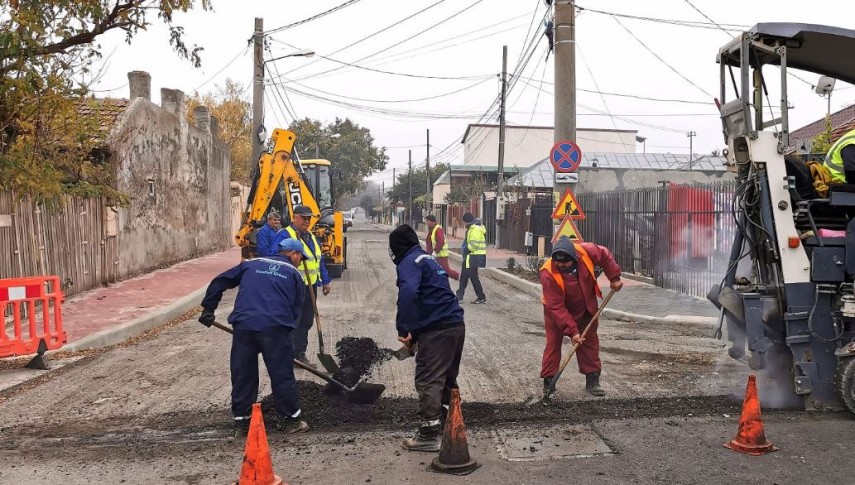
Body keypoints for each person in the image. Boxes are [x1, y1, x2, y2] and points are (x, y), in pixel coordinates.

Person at [198, 238, 311, 435]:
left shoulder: (250, 264)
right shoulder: (293, 274)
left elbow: (220, 281)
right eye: (301, 258)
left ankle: (242, 423)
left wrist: (209, 308)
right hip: (275, 328)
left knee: (243, 374)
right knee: (281, 374)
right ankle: (291, 421)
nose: (300, 262)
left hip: (245, 326)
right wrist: (286, 333)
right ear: (294, 255)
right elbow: (295, 309)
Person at [389, 224, 466, 452]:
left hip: (438, 330)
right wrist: (417, 332)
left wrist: (404, 329)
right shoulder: (426, 259)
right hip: (455, 326)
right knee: (448, 380)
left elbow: (409, 294)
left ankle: (429, 435)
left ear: (397, 248)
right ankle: (450, 425)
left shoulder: (409, 262)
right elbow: (431, 297)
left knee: (428, 379)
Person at [540, 236, 623, 398]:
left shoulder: (586, 251)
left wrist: (615, 278)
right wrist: (572, 331)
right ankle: (549, 381)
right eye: (557, 261)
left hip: (585, 306)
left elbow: (605, 255)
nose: (560, 265)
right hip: (555, 312)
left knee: (590, 342)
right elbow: (557, 308)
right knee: (553, 344)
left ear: (574, 258)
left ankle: (593, 380)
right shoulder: (548, 273)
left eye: (565, 263)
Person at [272, 204, 332, 366]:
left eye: (309, 218)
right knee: (293, 321)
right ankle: (287, 355)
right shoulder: (285, 235)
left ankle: (299, 353)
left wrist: (325, 281)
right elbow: (275, 258)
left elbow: (319, 261)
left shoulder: (311, 237)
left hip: (310, 286)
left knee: (306, 321)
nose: (306, 221)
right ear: (294, 217)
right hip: (292, 287)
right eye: (303, 218)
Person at [456, 212, 487, 304]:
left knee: (472, 277)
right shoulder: (472, 228)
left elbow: (473, 244)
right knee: (464, 277)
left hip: (473, 257)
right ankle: (460, 296)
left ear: (466, 221)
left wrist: (465, 250)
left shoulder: (475, 229)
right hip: (470, 257)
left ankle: (480, 297)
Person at [425, 214, 459, 281]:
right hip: (436, 255)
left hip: (441, 255)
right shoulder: (434, 229)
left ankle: (457, 276)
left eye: (427, 221)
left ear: (432, 221)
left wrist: (435, 251)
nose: (427, 223)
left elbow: (441, 241)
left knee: (446, 271)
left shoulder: (438, 229)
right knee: (435, 270)